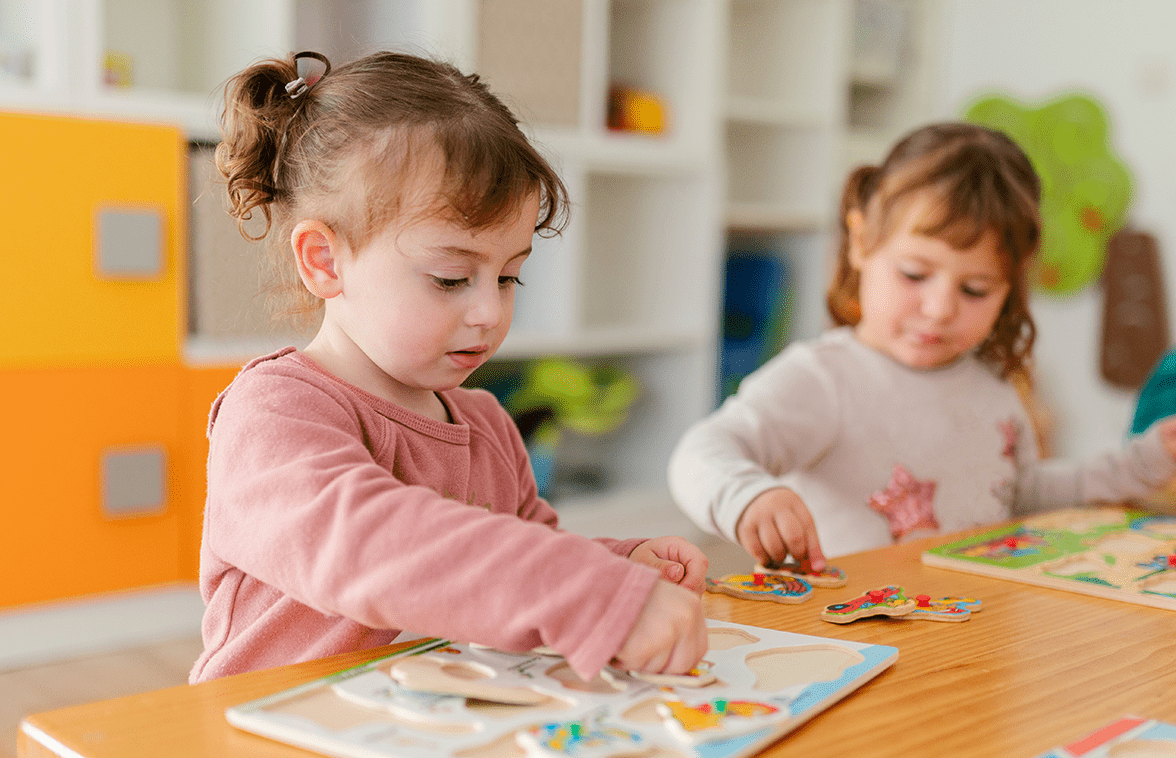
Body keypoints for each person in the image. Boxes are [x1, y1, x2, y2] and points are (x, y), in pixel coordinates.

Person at [190, 51, 709, 684]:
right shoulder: (271, 413)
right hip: (269, 747)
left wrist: (622, 567)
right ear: (325, 260)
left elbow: (516, 558)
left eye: (509, 275)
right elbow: (366, 545)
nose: (490, 310)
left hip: (428, 737)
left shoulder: (487, 424)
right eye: (451, 278)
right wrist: (587, 592)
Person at [668, 121, 1176, 569]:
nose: (939, 308)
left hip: (966, 644)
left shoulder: (994, 390)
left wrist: (1137, 466)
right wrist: (746, 496)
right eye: (914, 274)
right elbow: (700, 452)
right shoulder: (825, 379)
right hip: (851, 644)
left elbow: (1021, 495)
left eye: (975, 289)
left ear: (1010, 287)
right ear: (861, 240)